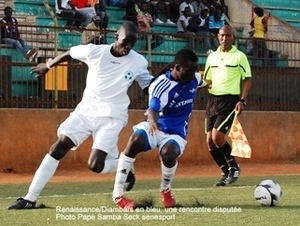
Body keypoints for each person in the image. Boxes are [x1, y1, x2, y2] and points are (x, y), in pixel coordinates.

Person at [8, 21, 153, 210]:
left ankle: (124, 168)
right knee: (58, 147)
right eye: (126, 41)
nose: (128, 47)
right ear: (116, 37)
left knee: (95, 165)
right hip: (86, 111)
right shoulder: (95, 52)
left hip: (112, 117)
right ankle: (29, 198)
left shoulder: (139, 62)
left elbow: (149, 86)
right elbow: (70, 53)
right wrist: (49, 64)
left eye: (133, 43)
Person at [112, 48, 202, 209]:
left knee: (169, 153)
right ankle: (118, 196)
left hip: (176, 132)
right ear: (178, 67)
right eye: (189, 71)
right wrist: (153, 121)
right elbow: (153, 106)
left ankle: (165, 189)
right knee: (135, 139)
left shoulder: (195, 77)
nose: (192, 74)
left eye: (195, 70)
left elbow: (203, 82)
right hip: (156, 125)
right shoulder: (161, 84)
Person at [202, 25, 251, 187]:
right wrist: (195, 86)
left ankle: (234, 167)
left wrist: (242, 100)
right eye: (222, 36)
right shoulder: (212, 57)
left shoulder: (240, 56)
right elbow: (207, 79)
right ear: (218, 36)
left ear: (233, 37)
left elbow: (247, 79)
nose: (224, 38)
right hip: (212, 100)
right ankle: (224, 171)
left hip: (230, 100)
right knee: (209, 141)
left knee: (217, 136)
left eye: (228, 36)